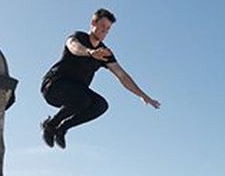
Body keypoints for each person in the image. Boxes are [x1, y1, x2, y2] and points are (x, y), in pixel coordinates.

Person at [39, 8, 160, 149]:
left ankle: (62, 128)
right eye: (102, 27)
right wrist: (90, 52)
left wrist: (143, 95)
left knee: (100, 105)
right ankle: (50, 125)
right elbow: (73, 47)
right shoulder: (79, 37)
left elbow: (122, 75)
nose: (104, 31)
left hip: (76, 94)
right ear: (93, 23)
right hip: (54, 86)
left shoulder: (105, 52)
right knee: (83, 99)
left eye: (108, 29)